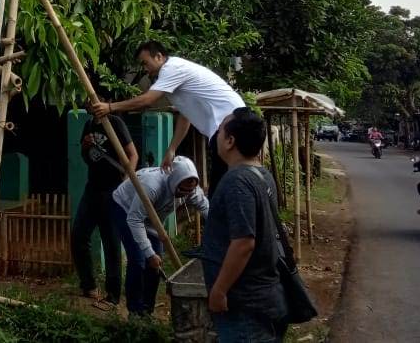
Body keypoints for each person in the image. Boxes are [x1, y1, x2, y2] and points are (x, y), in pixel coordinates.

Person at [88, 41, 245, 194]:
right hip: (230, 124)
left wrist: (110, 107)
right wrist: (172, 149)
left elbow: (147, 100)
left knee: (224, 189)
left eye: (145, 63)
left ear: (158, 56)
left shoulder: (172, 69)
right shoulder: (176, 76)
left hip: (230, 124)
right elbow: (186, 117)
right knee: (224, 186)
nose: (144, 69)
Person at [198, 107, 288, 342]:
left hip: (245, 304)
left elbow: (244, 243)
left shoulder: (237, 182)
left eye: (219, 132)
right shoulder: (262, 175)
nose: (215, 138)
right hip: (265, 296)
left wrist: (219, 290)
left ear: (229, 141)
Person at [109, 157, 209, 316]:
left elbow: (205, 208)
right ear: (174, 182)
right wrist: (149, 253)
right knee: (139, 259)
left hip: (152, 217)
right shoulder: (152, 186)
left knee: (156, 265)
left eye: (190, 191)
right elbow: (135, 219)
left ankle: (147, 311)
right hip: (127, 209)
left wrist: (220, 229)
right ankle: (135, 313)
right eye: (182, 191)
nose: (186, 195)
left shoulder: (190, 187)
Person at [71, 113, 138, 309]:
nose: (90, 104)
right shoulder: (89, 124)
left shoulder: (115, 123)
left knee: (111, 242)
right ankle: (89, 285)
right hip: (92, 188)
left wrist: (126, 182)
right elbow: (87, 158)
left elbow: (133, 155)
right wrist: (85, 146)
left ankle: (113, 295)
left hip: (113, 190)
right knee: (78, 235)